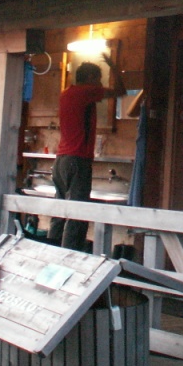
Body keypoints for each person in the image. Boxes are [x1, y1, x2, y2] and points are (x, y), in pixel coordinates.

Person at [48, 53, 126, 251]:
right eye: (98, 79)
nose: (100, 84)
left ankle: (51, 250)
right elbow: (121, 91)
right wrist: (113, 66)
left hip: (61, 160)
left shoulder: (66, 93)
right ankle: (70, 256)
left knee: (59, 212)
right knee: (78, 214)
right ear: (91, 78)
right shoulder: (86, 92)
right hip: (77, 160)